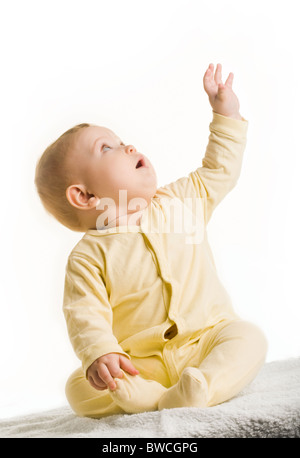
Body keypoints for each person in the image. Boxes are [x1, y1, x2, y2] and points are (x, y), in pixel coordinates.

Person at [35, 63, 267, 418]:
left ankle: (202, 385)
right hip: (141, 365)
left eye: (123, 141)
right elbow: (85, 314)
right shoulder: (88, 257)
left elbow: (220, 169)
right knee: (80, 387)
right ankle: (148, 394)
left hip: (205, 341)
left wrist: (226, 114)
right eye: (107, 148)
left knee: (248, 339)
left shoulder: (180, 201)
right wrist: (101, 355)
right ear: (84, 196)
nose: (128, 147)